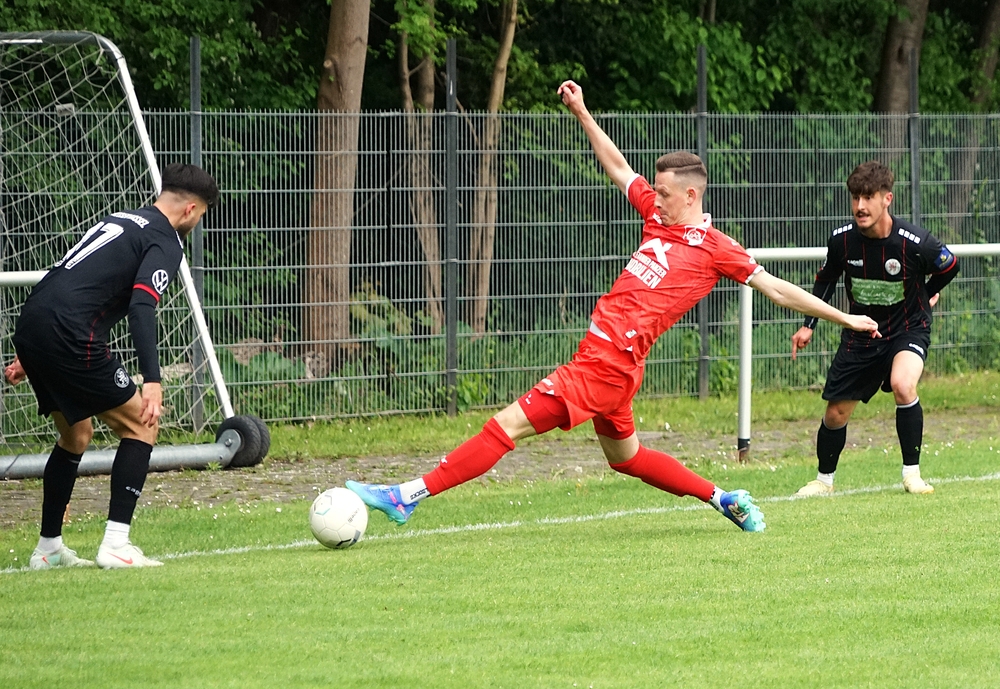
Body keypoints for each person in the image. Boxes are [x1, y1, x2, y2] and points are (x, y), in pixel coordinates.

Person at [347, 80, 879, 532]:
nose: (656, 198)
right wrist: (582, 111)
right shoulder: (658, 217)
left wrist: (845, 317)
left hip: (605, 365)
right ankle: (724, 498)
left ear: (691, 196)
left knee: (504, 426)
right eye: (656, 192)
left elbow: (777, 288)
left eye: (665, 193)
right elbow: (620, 168)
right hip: (614, 363)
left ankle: (406, 496)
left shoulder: (717, 248)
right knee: (628, 459)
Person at [4, 163, 219, 570]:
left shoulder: (120, 219)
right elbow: (142, 305)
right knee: (141, 424)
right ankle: (117, 544)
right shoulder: (165, 239)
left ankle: (48, 550)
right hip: (70, 333)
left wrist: (33, 350)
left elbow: (67, 275)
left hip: (34, 322)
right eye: (202, 214)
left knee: (77, 434)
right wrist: (152, 380)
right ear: (191, 209)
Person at [790, 160, 959, 497]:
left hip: (908, 328)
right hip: (862, 334)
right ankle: (823, 481)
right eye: (855, 197)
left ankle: (912, 475)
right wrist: (808, 325)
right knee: (836, 413)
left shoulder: (915, 242)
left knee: (903, 385)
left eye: (868, 197)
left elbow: (950, 264)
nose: (860, 206)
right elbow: (825, 281)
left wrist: (924, 296)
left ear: (887, 199)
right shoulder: (842, 241)